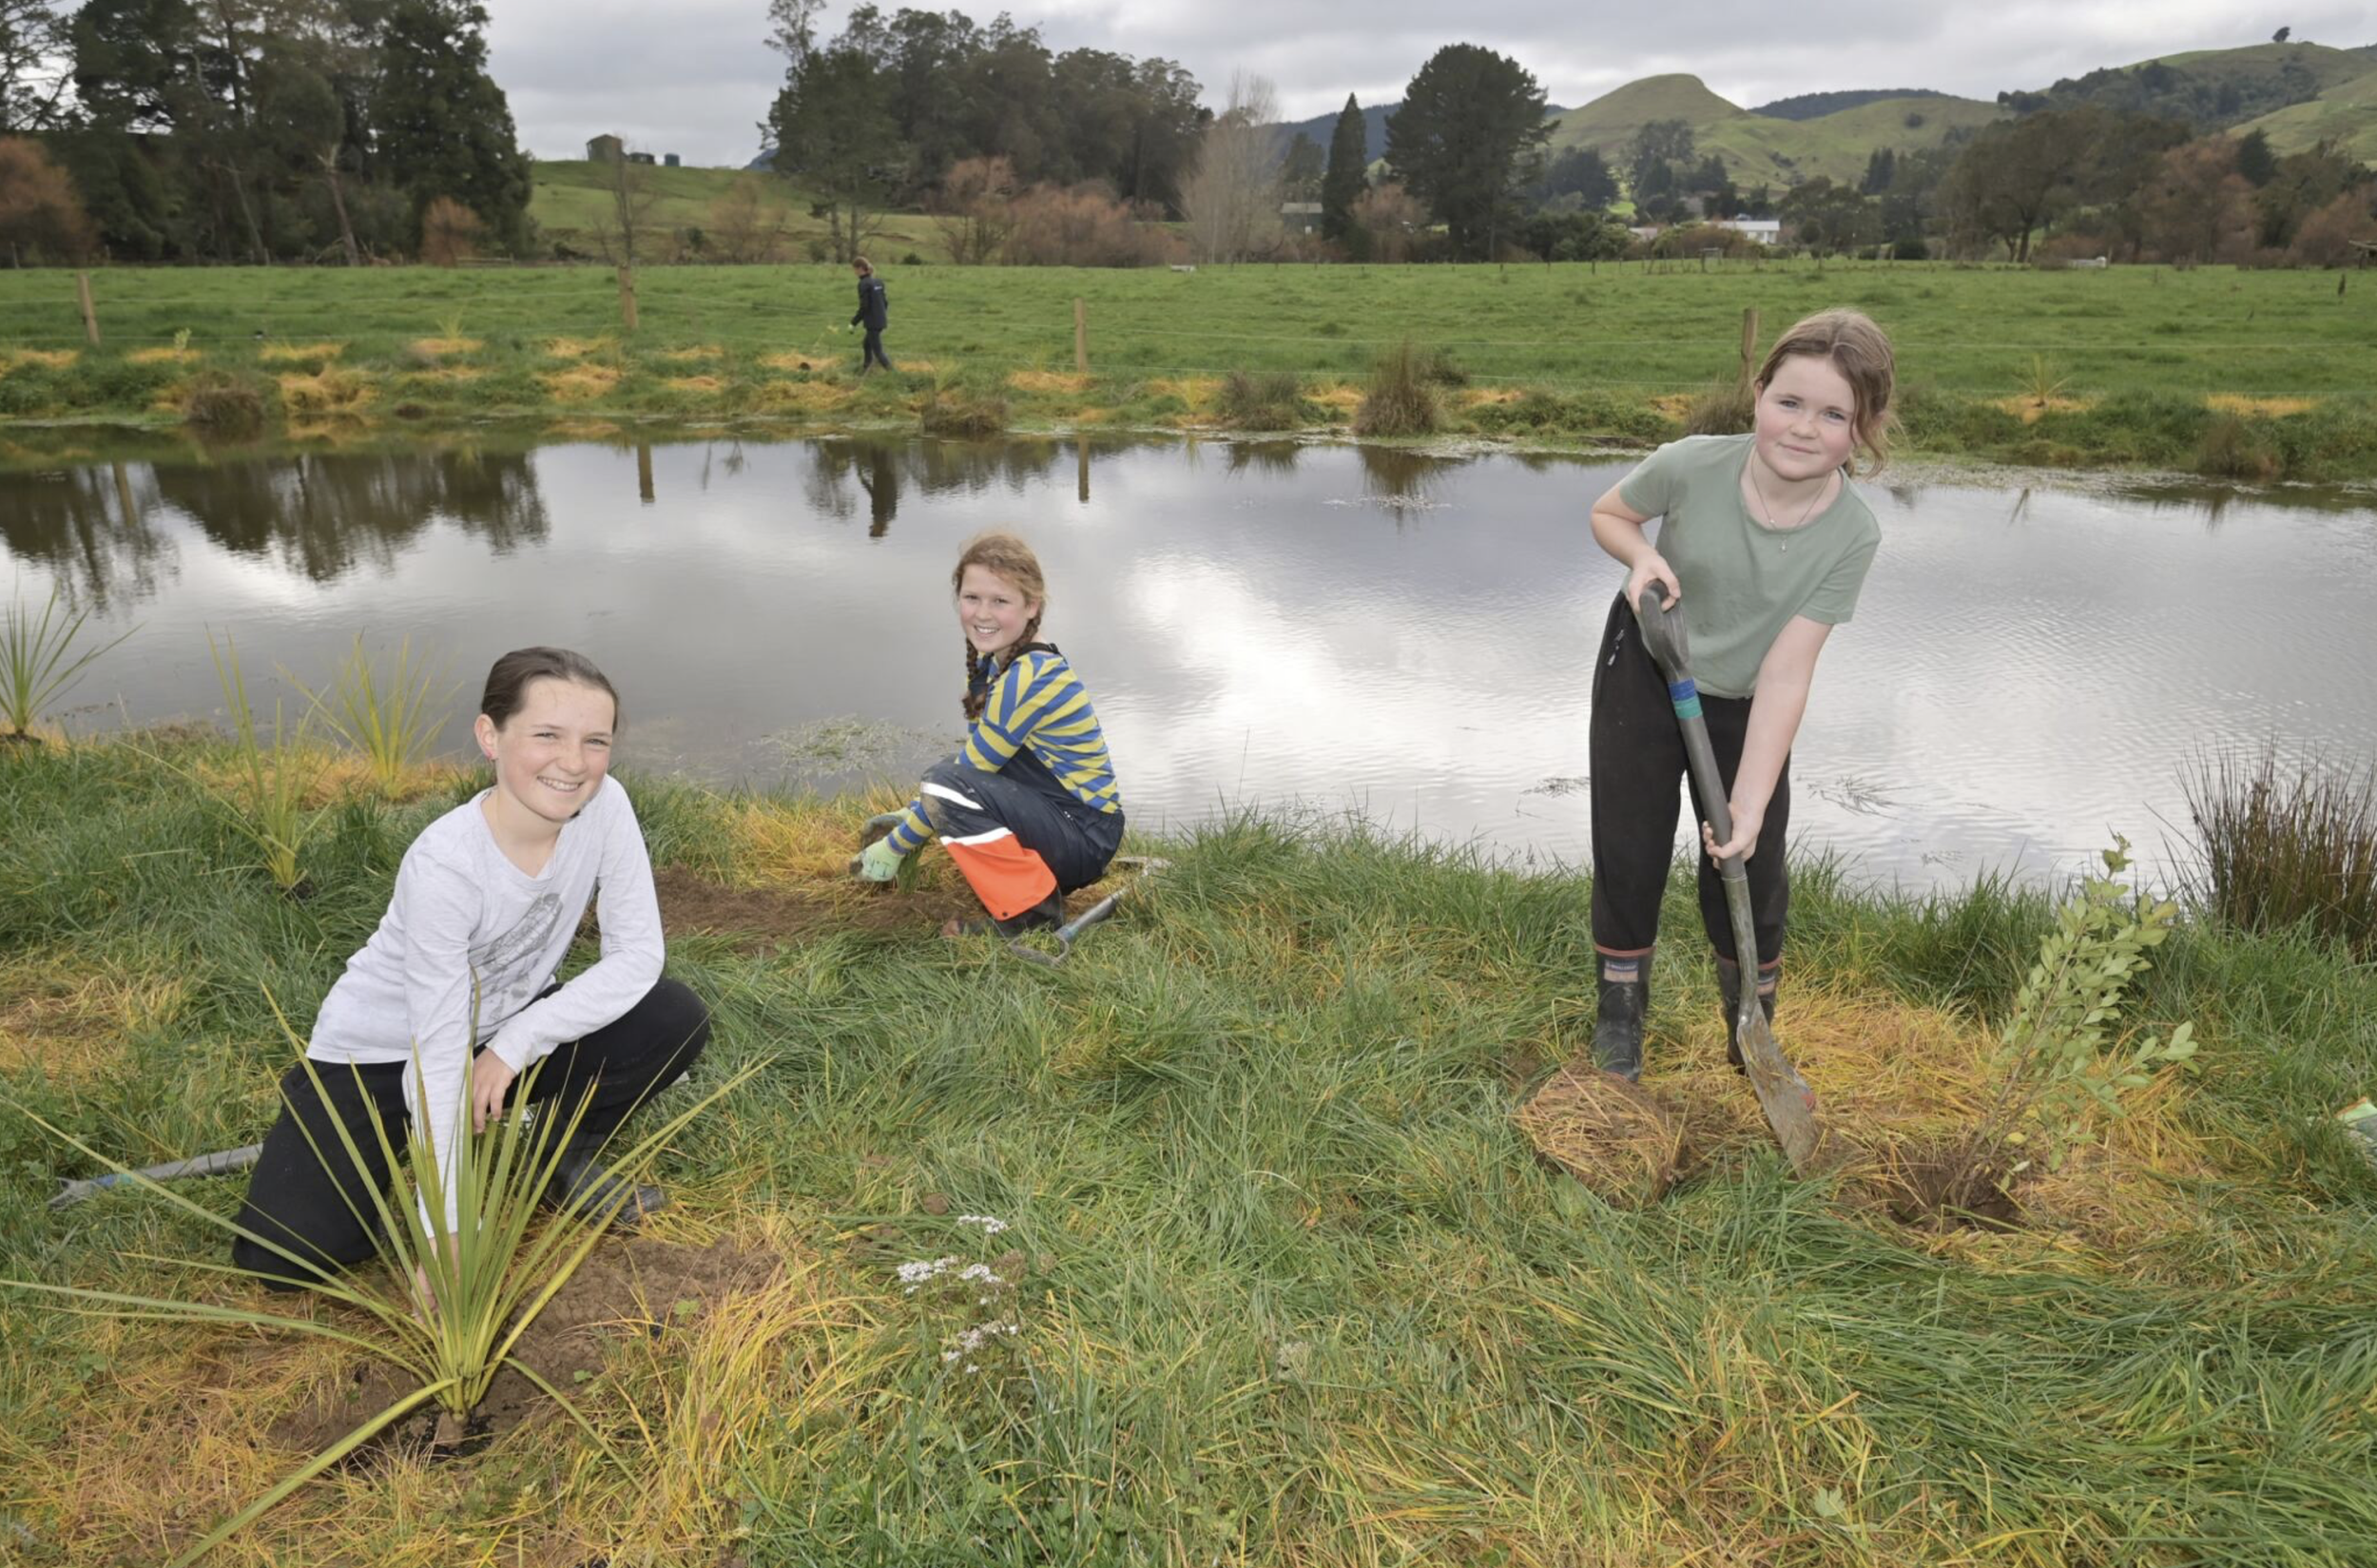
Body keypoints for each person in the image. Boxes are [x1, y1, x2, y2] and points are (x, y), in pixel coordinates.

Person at [229, 648, 710, 1292]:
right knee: (284, 1257)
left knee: (671, 1016)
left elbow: (637, 956)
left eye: (595, 741)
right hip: (380, 1053)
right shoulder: (446, 866)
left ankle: (556, 1154)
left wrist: (512, 1047)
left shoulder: (605, 806)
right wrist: (446, 1238)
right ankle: (351, 1128)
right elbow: (435, 1051)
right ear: (491, 735)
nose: (574, 762)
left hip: (498, 1033)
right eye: (547, 735)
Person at [1582, 309, 1894, 1081]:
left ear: (1862, 429)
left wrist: (1749, 802)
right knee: (1630, 851)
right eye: (1788, 402)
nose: (1802, 428)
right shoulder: (1691, 465)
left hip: (1748, 700)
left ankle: (1748, 1024)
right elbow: (1609, 513)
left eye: (1833, 414)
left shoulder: (1853, 534)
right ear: (1758, 393)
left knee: (1749, 867)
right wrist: (1642, 556)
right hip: (1649, 670)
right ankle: (1621, 1016)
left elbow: (1788, 670)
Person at [856, 531, 1125, 937]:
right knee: (948, 774)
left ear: (1030, 605)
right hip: (1068, 821)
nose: (983, 613)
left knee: (946, 784)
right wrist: (912, 812)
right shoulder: (997, 667)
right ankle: (1030, 885)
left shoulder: (1029, 678)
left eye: (1000, 601)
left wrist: (894, 846)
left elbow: (963, 779)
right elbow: (975, 764)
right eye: (972, 598)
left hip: (1084, 836)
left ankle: (1031, 913)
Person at [851, 256, 892, 374]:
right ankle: (866, 369)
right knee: (866, 344)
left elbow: (864, 307)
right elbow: (885, 303)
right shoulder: (878, 282)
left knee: (878, 351)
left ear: (859, 269)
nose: (854, 272)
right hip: (881, 319)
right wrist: (880, 315)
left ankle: (893, 373)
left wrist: (853, 322)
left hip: (872, 322)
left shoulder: (863, 284)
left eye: (854, 269)